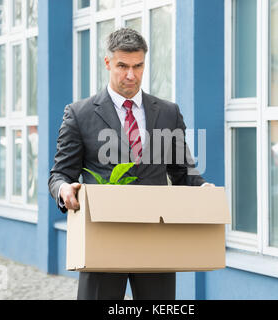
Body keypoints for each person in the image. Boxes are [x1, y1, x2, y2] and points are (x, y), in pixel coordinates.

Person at [48, 28, 213, 300]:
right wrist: (64, 189)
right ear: (107, 63)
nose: (130, 75)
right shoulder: (80, 114)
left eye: (138, 66)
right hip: (102, 237)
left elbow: (183, 173)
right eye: (122, 66)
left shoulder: (168, 112)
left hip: (156, 239)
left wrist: (203, 188)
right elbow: (59, 174)